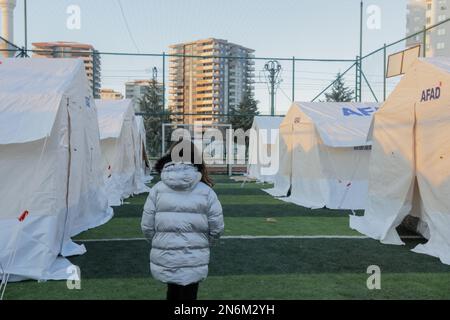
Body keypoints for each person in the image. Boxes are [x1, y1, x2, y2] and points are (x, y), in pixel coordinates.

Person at [141, 140, 224, 300]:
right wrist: (204, 244)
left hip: (166, 255)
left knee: (172, 292)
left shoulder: (157, 190)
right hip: (195, 257)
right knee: (190, 295)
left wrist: (161, 242)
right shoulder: (207, 192)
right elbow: (217, 229)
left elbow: (147, 227)